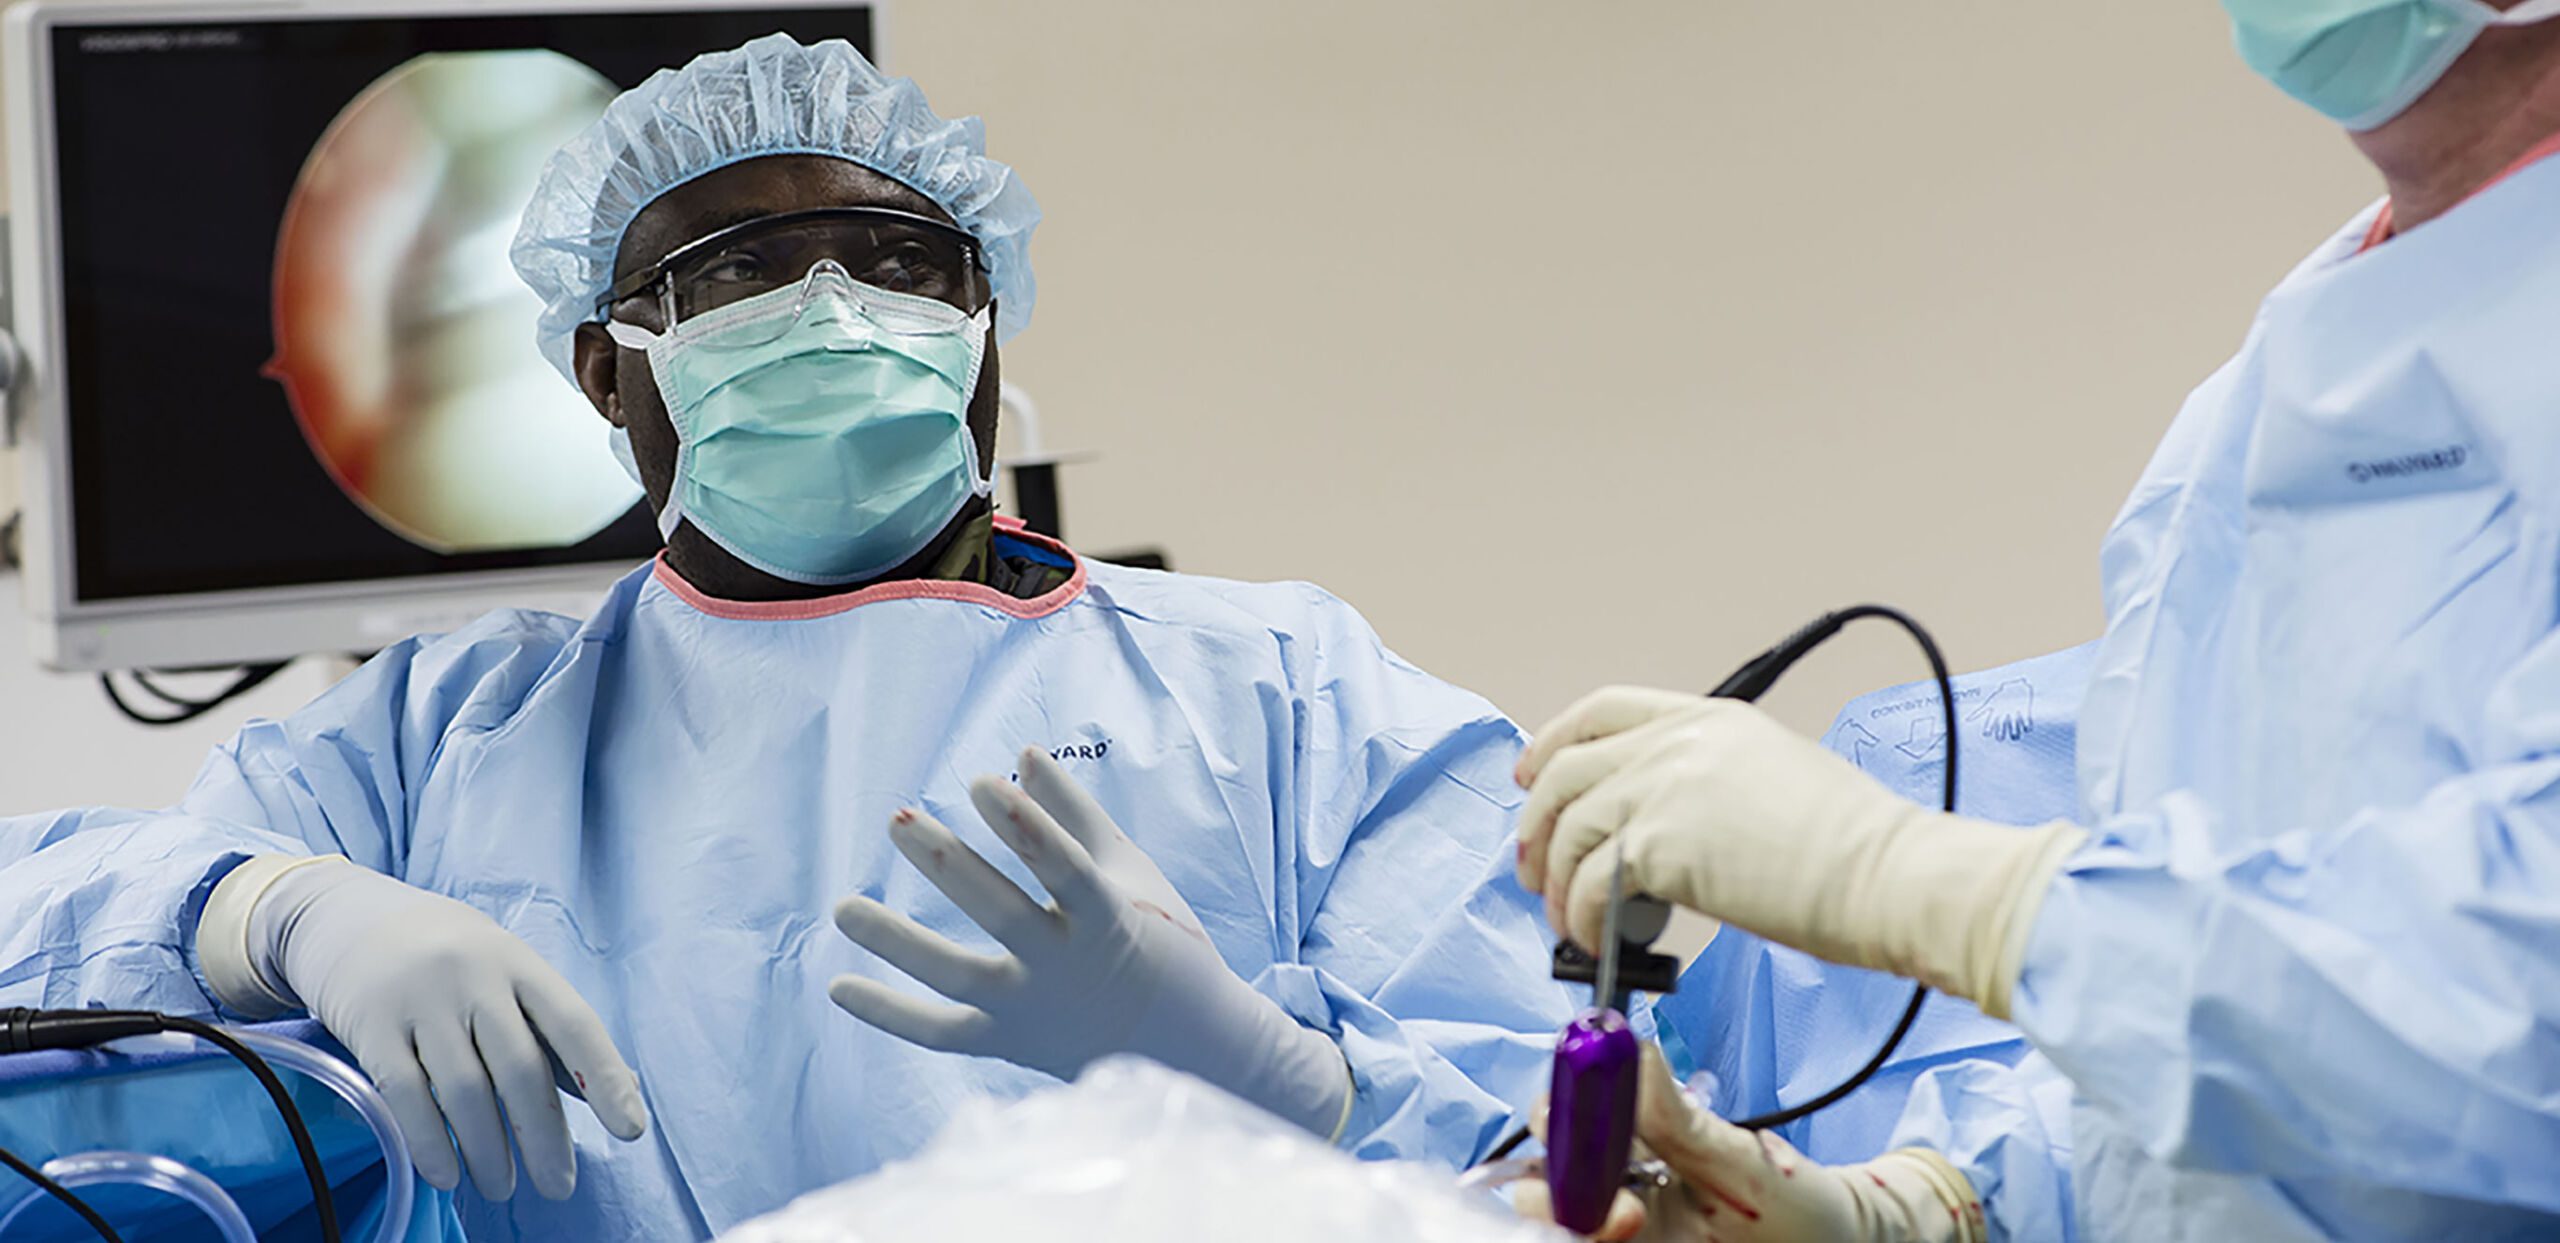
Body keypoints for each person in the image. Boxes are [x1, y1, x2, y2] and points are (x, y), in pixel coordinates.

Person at [0, 35, 1572, 1241]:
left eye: (901, 262)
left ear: (983, 334)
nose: (834, 306)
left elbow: (1569, 1162)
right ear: (608, 375)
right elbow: (41, 927)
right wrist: (280, 907)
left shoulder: (1287, 691)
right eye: (735, 270)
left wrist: (1273, 1073)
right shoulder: (439, 738)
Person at [1514, 1, 2560, 1240]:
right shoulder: (2283, 387)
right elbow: (2232, 1073)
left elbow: (2511, 1019)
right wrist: (1919, 1206)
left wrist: (1934, 888)